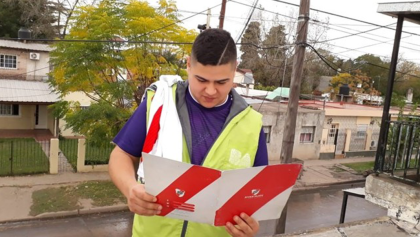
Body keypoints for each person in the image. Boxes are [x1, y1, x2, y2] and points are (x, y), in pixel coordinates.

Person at [109, 28, 268, 237]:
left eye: (221, 82)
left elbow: (257, 196)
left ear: (235, 70)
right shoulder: (160, 102)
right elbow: (121, 155)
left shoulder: (252, 124)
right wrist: (130, 188)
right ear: (187, 65)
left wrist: (250, 228)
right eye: (201, 80)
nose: (211, 91)